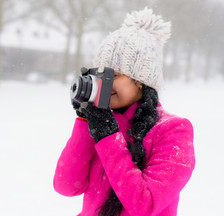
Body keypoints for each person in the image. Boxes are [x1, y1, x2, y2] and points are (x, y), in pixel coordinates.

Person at [53, 7, 195, 216]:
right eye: (99, 74)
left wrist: (108, 138)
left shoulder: (174, 131)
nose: (104, 83)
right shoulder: (103, 122)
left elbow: (145, 206)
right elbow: (66, 186)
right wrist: (85, 120)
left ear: (140, 81)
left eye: (114, 75)